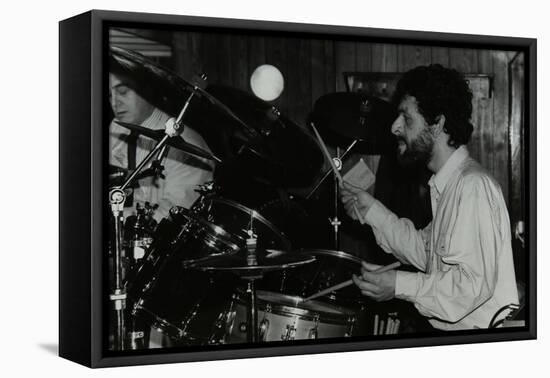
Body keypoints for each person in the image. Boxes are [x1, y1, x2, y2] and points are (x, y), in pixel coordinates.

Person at [341, 64, 518, 330]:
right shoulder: (450, 185)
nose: (395, 127)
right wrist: (371, 210)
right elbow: (427, 254)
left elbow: (469, 287)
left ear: (438, 124)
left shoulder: (472, 187)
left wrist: (398, 284)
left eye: (406, 118)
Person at [109, 59, 214, 222]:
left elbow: (171, 215)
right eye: (110, 94)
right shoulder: (116, 128)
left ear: (147, 91)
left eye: (123, 91)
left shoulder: (188, 146)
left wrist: (116, 219)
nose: (115, 102)